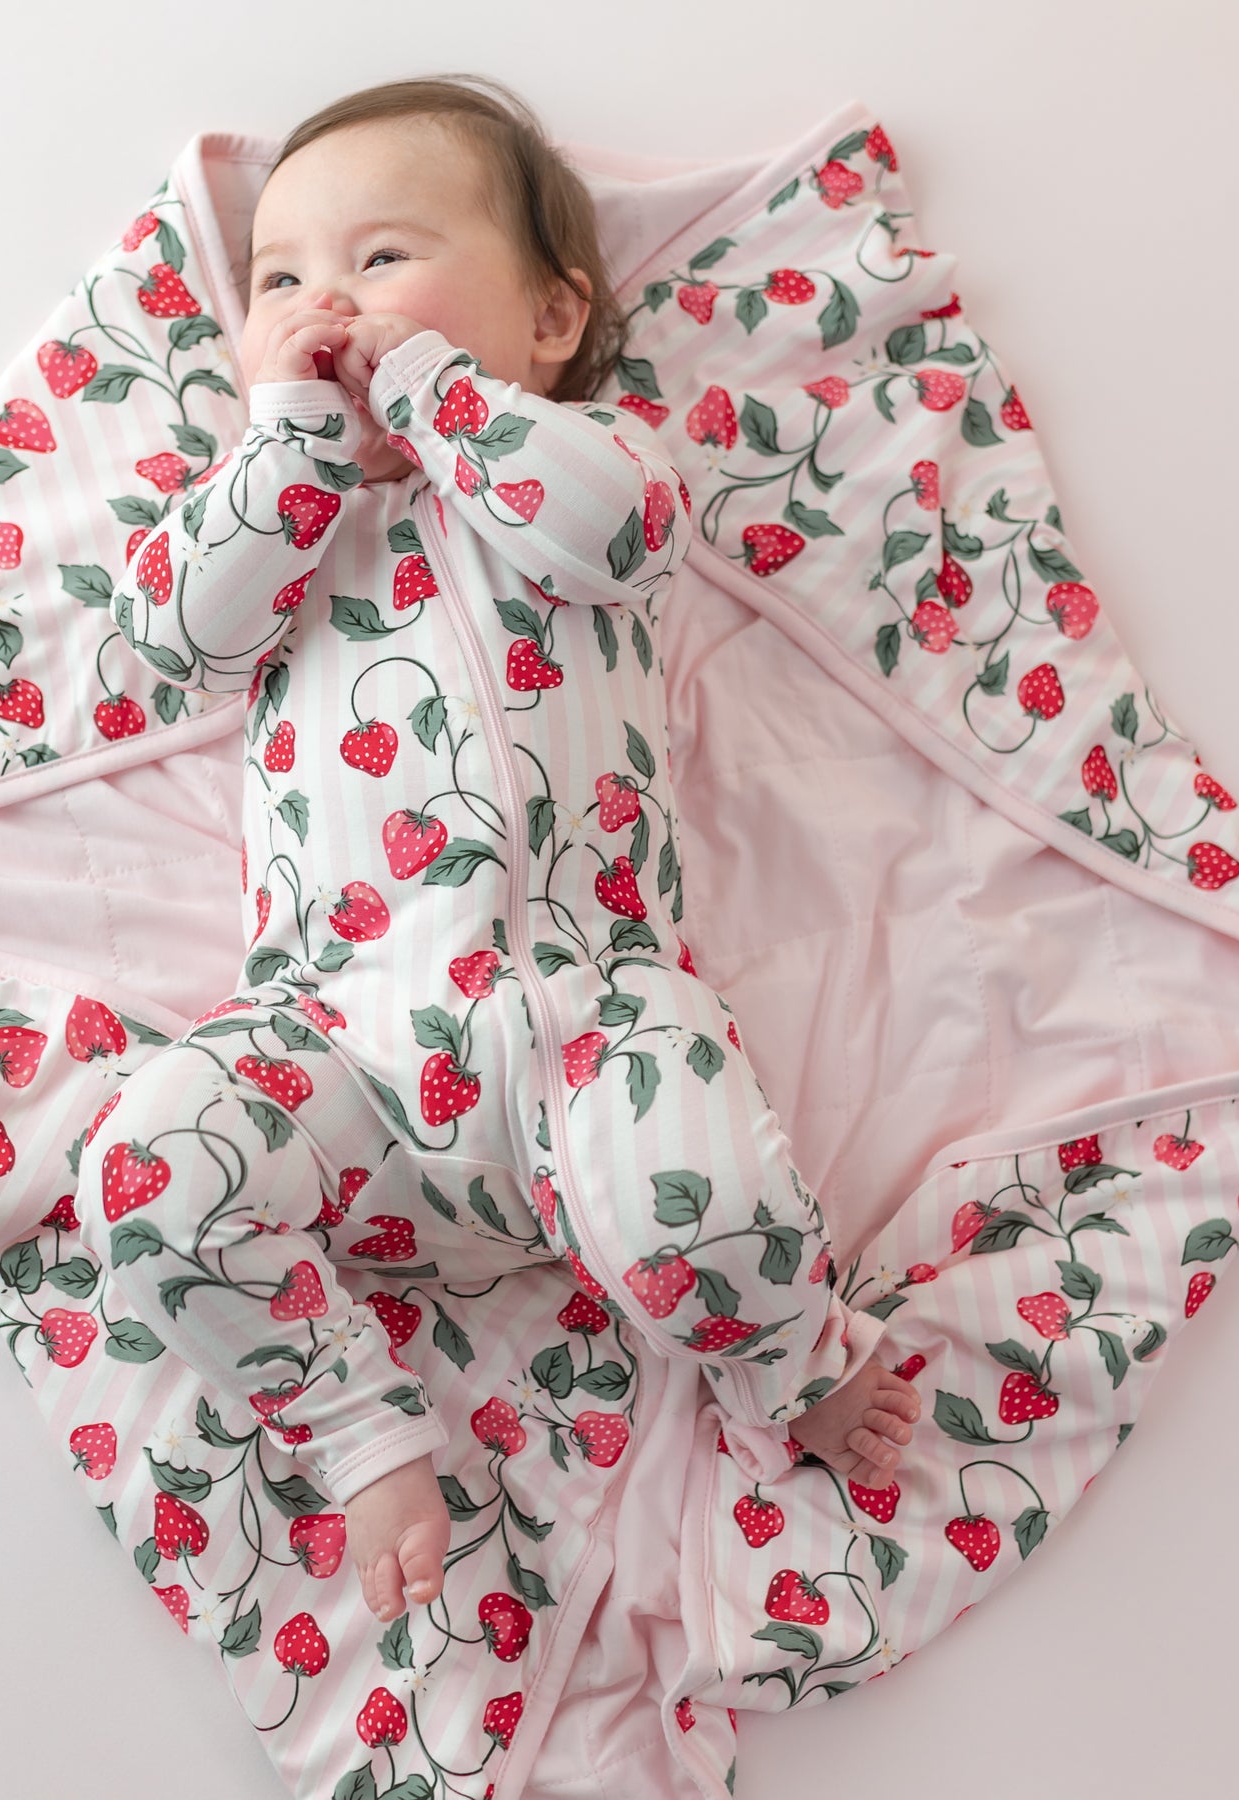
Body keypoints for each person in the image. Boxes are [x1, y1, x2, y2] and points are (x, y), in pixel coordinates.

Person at [83, 73, 920, 1632]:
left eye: (385, 258)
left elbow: (616, 530)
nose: (326, 299)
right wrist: (286, 441)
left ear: (550, 318)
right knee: (144, 1174)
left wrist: (445, 404)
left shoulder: (579, 459)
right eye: (280, 279)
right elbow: (171, 641)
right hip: (330, 1043)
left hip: (585, 1019)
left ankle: (789, 1363)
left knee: (714, 1217)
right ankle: (357, 1429)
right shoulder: (273, 516)